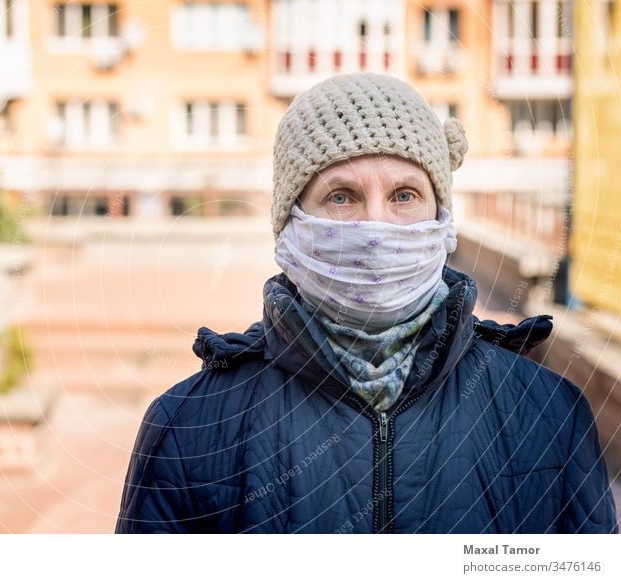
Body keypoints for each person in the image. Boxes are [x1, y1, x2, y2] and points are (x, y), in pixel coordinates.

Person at [115, 73, 618, 534]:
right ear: (291, 220)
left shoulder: (548, 415)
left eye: (404, 195)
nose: (376, 227)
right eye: (341, 196)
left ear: (440, 217)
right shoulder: (190, 429)